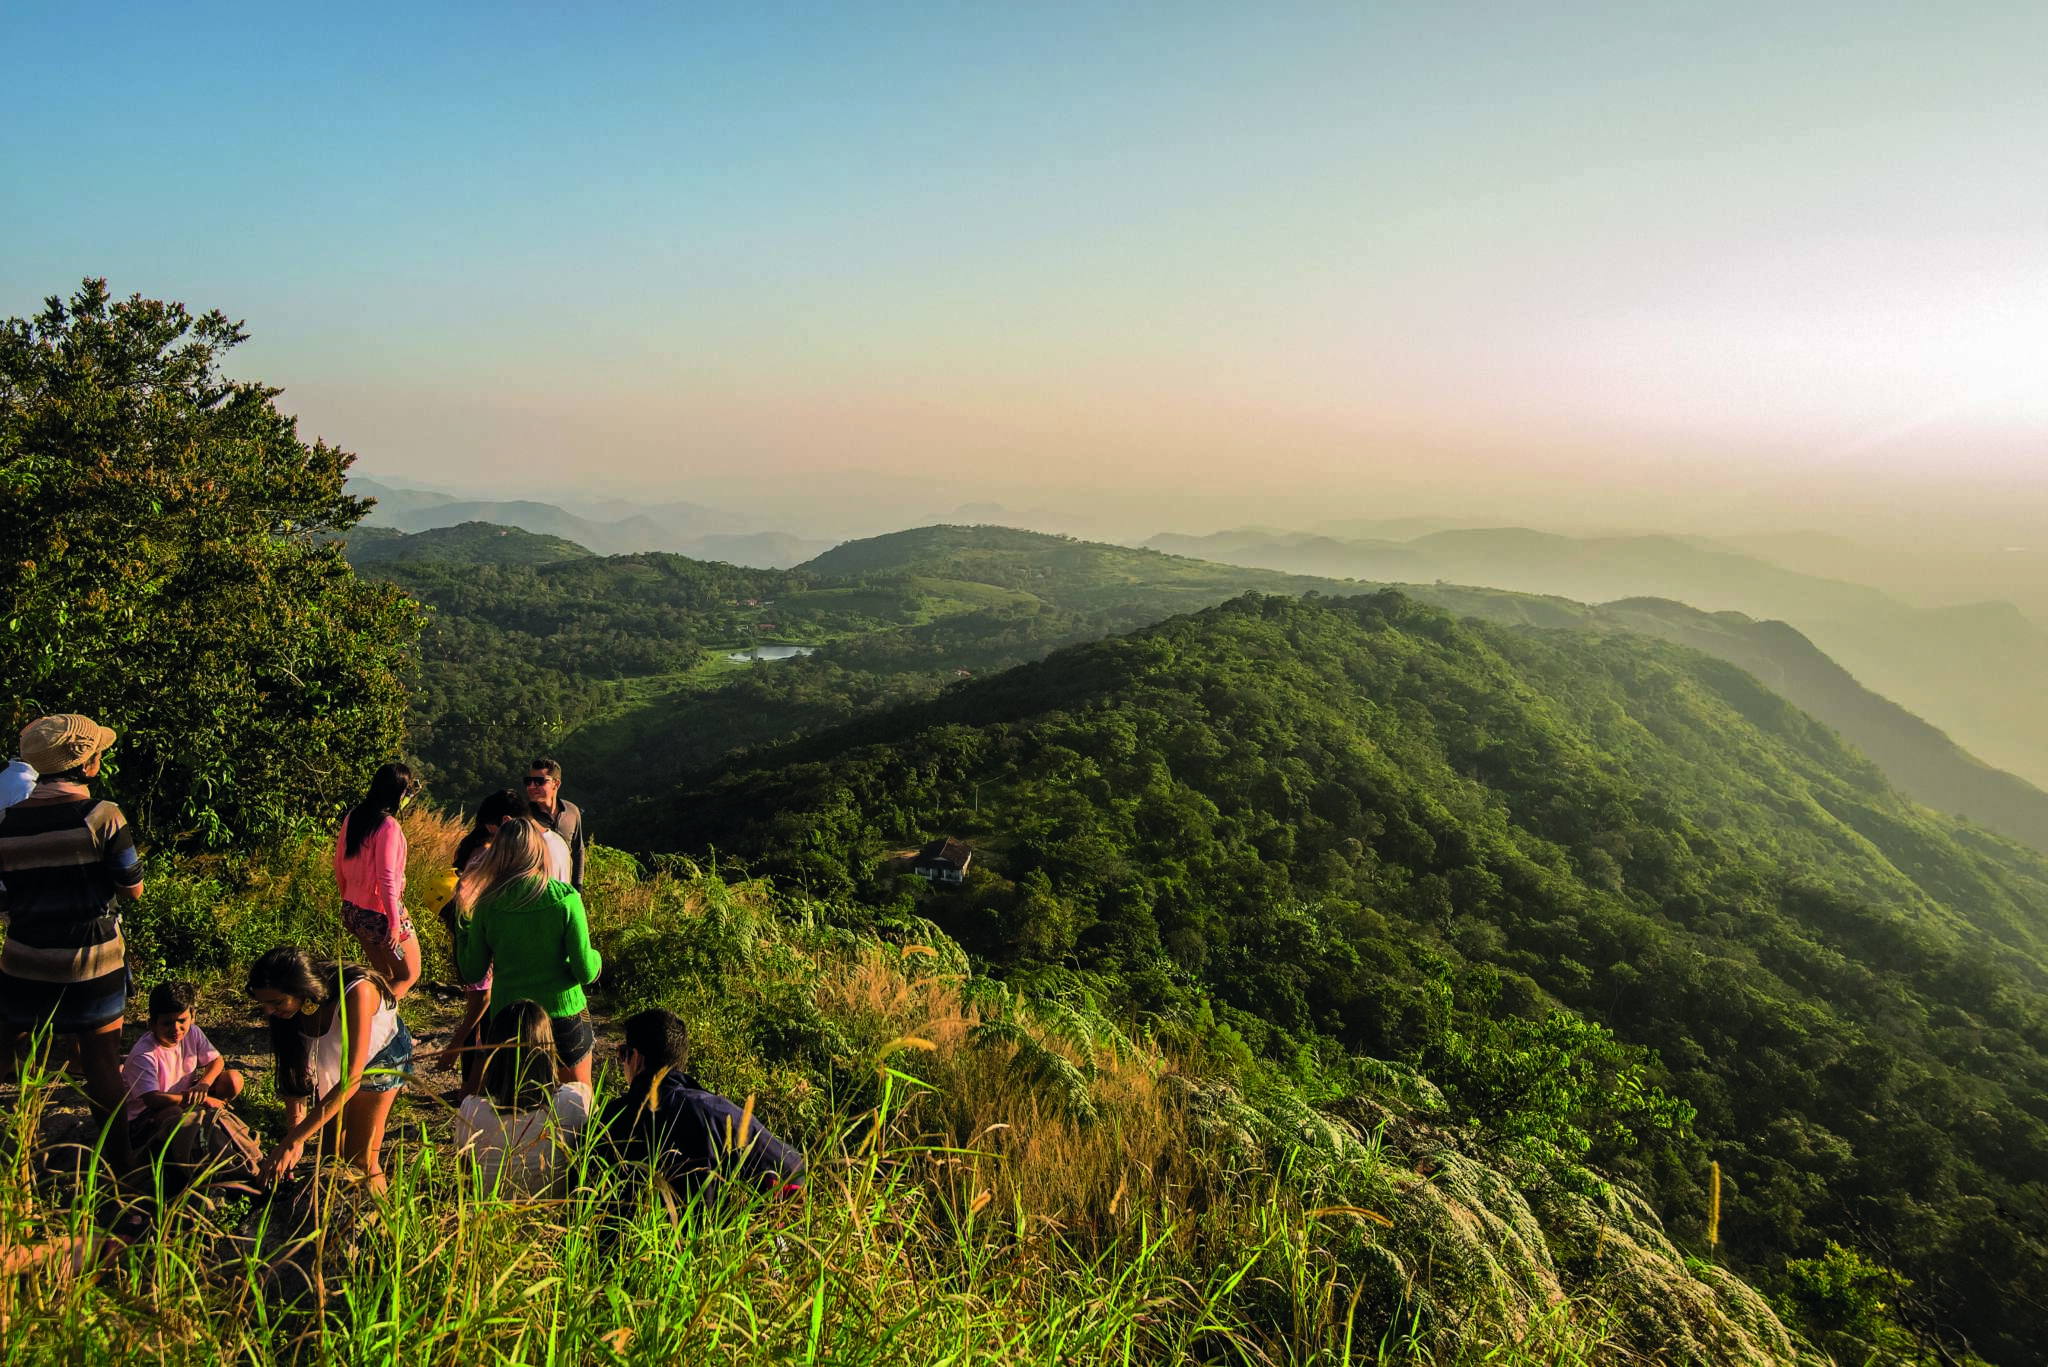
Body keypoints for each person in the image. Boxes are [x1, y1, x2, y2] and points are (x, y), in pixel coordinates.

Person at [0, 716, 143, 1166]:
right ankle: (120, 1171)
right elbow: (131, 886)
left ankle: (19, 1157)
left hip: (23, 959)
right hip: (91, 961)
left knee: (12, 1057)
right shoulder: (104, 815)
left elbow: (4, 899)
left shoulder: (6, 824)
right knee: (102, 1069)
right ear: (87, 763)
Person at [246, 946, 412, 1193]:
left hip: (380, 1058)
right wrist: (295, 1133)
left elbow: (353, 1078)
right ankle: (337, 1223)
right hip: (334, 1058)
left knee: (361, 1160)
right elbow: (295, 1072)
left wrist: (294, 1141)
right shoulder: (283, 1011)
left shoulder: (357, 992)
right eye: (264, 1004)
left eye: (276, 1002)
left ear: (302, 987)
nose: (269, 1011)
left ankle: (381, 1228)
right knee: (330, 1157)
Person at [598, 1008, 804, 1204]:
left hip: (629, 1239)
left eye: (623, 1053)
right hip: (714, 1237)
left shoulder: (610, 1120)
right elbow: (792, 1169)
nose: (622, 1062)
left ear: (637, 1058)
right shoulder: (719, 1114)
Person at [452, 819, 602, 1086]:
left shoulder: (487, 906)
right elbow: (585, 972)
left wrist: (462, 921)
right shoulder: (566, 899)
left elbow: (472, 971)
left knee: (516, 1111)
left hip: (509, 1022)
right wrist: (597, 959)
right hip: (564, 1016)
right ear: (539, 851)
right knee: (577, 1109)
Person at [451, 999, 593, 1195]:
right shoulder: (575, 1101)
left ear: (494, 1052)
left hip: (489, 1222)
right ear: (548, 1048)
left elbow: (466, 1183)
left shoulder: (472, 1109)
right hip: (559, 1222)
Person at [334, 762, 422, 1000]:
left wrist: (348, 900)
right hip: (381, 915)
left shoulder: (354, 816)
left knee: (383, 974)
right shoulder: (388, 826)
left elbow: (338, 863)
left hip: (354, 910)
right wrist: (394, 924)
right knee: (408, 975)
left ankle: (377, 1024)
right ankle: (375, 1024)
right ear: (399, 792)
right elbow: (387, 879)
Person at [121, 980, 243, 1142]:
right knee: (174, 1115)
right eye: (167, 1023)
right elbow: (153, 1100)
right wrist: (203, 1099)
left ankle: (211, 1119)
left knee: (233, 1080)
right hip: (145, 1115)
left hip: (183, 1097)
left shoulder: (192, 1032)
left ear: (193, 1016)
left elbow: (217, 1061)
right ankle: (175, 1153)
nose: (176, 1029)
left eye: (182, 1021)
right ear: (151, 1025)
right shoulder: (144, 1055)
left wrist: (203, 1084)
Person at [523, 757, 586, 891]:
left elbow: (578, 851)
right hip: (535, 894)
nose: (532, 786)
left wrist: (577, 888)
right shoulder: (523, 817)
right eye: (529, 781)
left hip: (565, 892)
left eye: (539, 781)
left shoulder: (572, 812)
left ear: (556, 784)